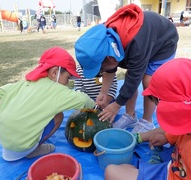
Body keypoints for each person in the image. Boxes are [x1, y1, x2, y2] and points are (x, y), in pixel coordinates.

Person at [75, 3, 179, 133]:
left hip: (163, 42)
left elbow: (133, 78)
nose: (102, 73)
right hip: (142, 43)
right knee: (130, 77)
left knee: (148, 81)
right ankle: (130, 116)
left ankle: (147, 121)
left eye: (101, 70)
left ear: (110, 58)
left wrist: (117, 105)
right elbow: (110, 68)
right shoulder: (106, 43)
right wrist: (103, 92)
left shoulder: (136, 46)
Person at [105, 58, 191, 180]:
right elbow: (181, 132)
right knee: (124, 167)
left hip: (173, 174)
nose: (157, 106)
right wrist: (167, 138)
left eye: (156, 101)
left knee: (111, 171)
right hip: (175, 166)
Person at [0, 47, 96, 161]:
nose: (67, 83)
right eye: (67, 78)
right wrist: (95, 106)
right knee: (59, 115)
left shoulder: (24, 83)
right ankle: (34, 149)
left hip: (4, 142)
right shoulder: (56, 91)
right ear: (54, 73)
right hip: (23, 147)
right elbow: (82, 100)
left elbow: (0, 91)